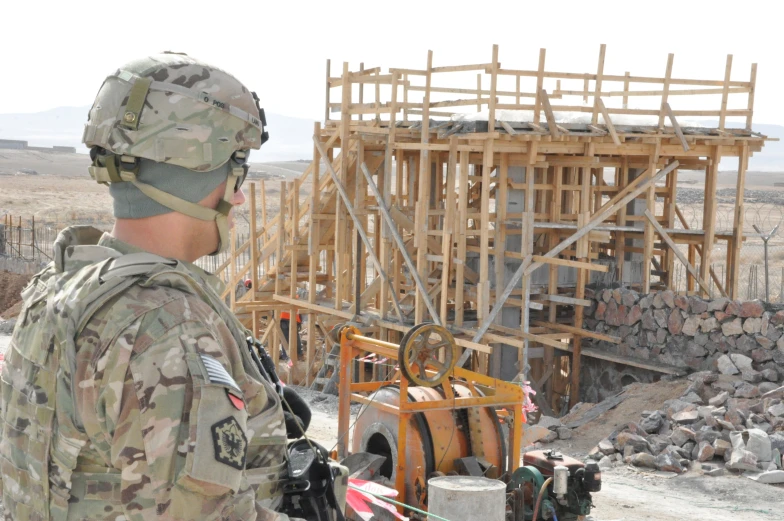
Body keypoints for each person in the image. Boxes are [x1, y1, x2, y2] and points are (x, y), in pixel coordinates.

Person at [0, 53, 310, 521]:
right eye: (236, 168)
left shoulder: (58, 286)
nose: (240, 194)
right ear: (190, 172)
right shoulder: (167, 329)